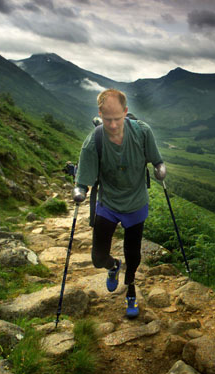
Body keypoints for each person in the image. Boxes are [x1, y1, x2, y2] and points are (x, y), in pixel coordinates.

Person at [72, 89, 166, 318]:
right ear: (100, 114)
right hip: (108, 203)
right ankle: (113, 266)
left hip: (135, 202)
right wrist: (80, 190)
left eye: (117, 119)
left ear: (125, 112)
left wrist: (160, 169)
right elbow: (83, 178)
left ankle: (131, 290)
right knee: (97, 258)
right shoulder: (93, 141)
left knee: (133, 254)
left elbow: (157, 159)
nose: (113, 125)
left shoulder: (142, 132)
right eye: (107, 120)